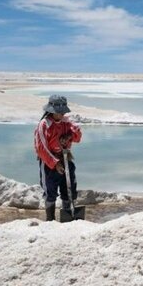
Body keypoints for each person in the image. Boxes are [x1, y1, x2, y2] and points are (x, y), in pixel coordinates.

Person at [34, 94, 83, 222]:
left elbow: (77, 138)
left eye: (63, 112)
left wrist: (71, 134)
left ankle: (68, 217)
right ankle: (50, 219)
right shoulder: (44, 125)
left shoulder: (66, 123)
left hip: (66, 158)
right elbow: (41, 148)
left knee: (69, 188)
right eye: (58, 112)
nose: (61, 115)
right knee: (50, 191)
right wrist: (55, 164)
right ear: (51, 110)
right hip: (49, 163)